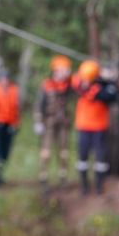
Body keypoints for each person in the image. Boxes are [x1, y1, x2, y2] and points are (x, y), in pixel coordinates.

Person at [73, 59, 119, 195]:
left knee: (100, 158)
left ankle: (99, 185)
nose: (85, 81)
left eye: (88, 79)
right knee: (83, 158)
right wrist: (104, 75)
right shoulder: (81, 84)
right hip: (83, 127)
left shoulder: (100, 88)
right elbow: (78, 83)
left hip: (99, 127)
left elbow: (112, 95)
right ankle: (84, 186)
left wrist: (111, 79)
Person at [33, 54, 73, 192]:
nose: (66, 72)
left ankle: (63, 181)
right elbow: (39, 104)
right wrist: (38, 121)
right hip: (49, 123)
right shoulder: (47, 85)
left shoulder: (68, 85)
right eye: (63, 69)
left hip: (63, 124)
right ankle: (43, 180)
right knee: (46, 152)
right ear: (56, 70)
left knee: (63, 153)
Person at [0, 68, 20, 175]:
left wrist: (16, 123)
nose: (5, 81)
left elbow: (16, 108)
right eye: (2, 78)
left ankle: (0, 171)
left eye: (6, 78)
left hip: (9, 123)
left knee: (6, 149)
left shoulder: (14, 89)